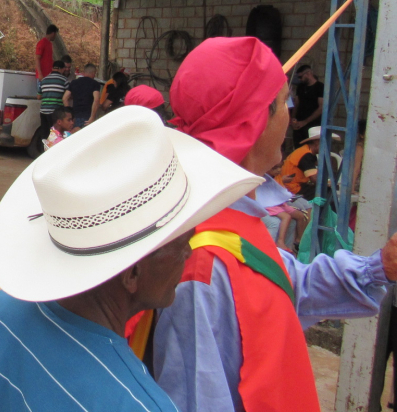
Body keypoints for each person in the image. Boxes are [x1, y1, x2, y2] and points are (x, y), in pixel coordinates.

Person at [0, 106, 263, 412]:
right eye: (181, 243)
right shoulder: (140, 403)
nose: (189, 254)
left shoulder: (3, 310)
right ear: (132, 272)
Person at [147, 37, 396, 412]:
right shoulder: (201, 264)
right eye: (284, 104)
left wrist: (381, 267)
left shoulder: (237, 217)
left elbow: (292, 284)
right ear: (254, 123)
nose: (289, 115)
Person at [276, 125, 334, 200]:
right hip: (293, 187)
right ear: (317, 142)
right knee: (326, 192)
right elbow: (315, 179)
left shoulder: (307, 151)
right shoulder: (305, 155)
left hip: (296, 185)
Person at [290, 64, 324, 143]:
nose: (300, 79)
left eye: (301, 77)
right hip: (299, 122)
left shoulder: (320, 87)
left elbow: (321, 107)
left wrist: (305, 121)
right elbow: (296, 103)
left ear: (308, 74)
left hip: (312, 124)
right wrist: (293, 118)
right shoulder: (301, 87)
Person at [38, 59, 70, 138]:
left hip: (43, 111)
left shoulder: (43, 80)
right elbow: (68, 95)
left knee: (45, 134)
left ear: (52, 68)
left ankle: (44, 149)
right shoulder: (64, 80)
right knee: (55, 134)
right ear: (61, 69)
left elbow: (39, 96)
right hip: (55, 112)